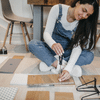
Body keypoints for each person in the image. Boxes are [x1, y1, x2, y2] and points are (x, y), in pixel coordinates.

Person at [28, 0, 99, 82]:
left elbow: (77, 47)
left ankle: (54, 64)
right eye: (84, 10)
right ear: (78, 3)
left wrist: (67, 70)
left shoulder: (83, 23)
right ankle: (65, 66)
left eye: (88, 15)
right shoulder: (57, 9)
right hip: (53, 50)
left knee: (89, 55)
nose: (84, 16)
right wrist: (53, 44)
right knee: (32, 44)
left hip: (68, 52)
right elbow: (47, 33)